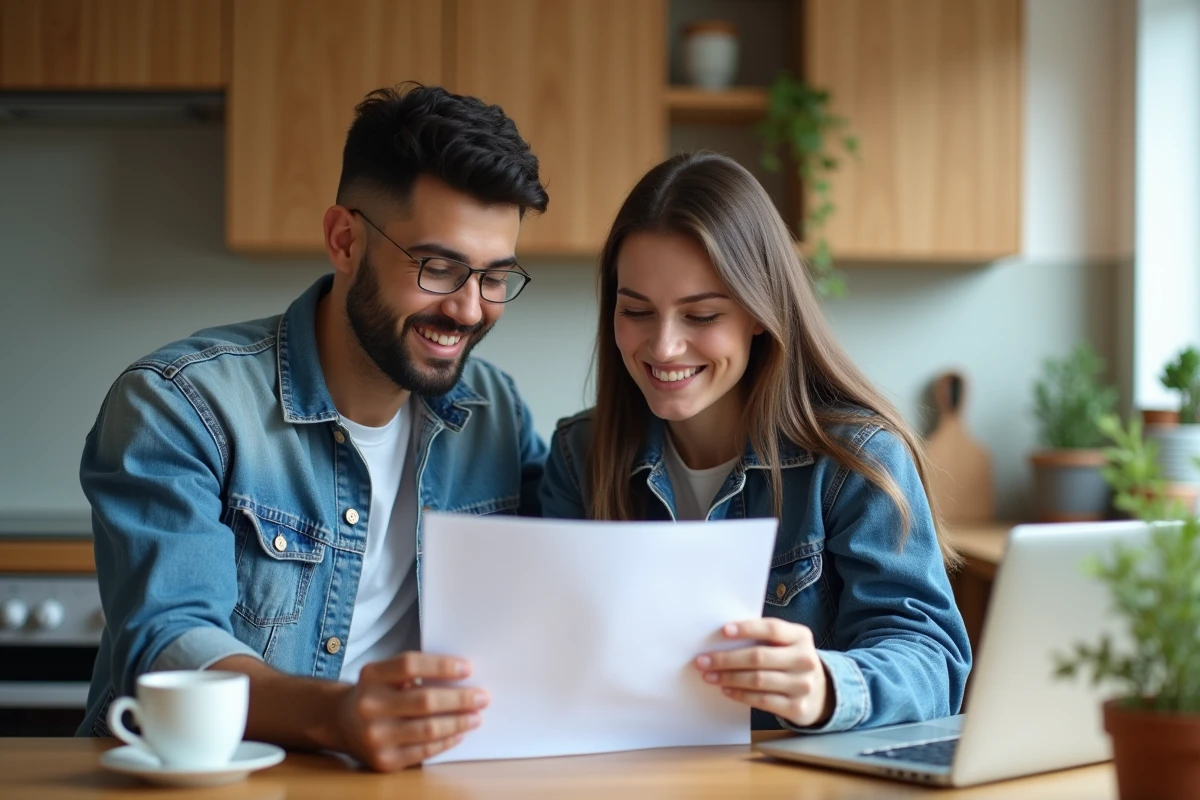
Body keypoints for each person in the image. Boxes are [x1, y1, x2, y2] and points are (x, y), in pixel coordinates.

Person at [78, 84, 549, 771]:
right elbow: (169, 645)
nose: (470, 310)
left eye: (495, 276)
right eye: (439, 268)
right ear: (345, 240)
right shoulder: (180, 406)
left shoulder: (494, 414)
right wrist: (340, 716)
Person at [539, 151, 971, 733]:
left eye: (701, 316)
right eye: (636, 311)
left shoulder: (853, 460)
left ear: (760, 311)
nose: (663, 347)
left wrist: (824, 686)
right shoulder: (578, 456)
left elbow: (931, 660)